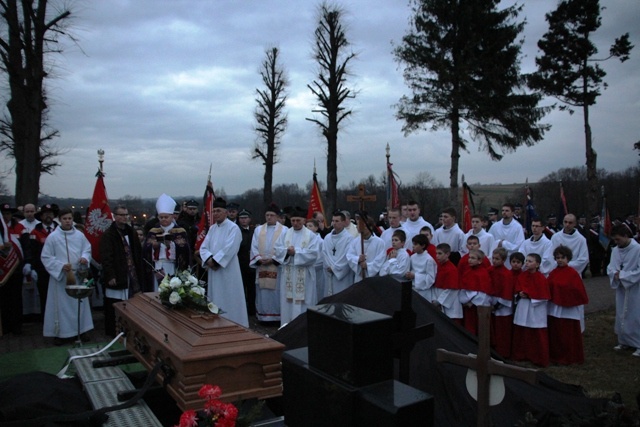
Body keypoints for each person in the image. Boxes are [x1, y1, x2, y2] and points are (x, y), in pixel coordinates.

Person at [41, 208, 93, 345]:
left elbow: (87, 249)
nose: (68, 221)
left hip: (78, 275)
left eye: (70, 218)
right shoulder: (53, 237)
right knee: (61, 307)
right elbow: (46, 257)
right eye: (65, 219)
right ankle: (61, 333)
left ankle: (81, 330)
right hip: (62, 277)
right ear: (59, 220)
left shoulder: (79, 236)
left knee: (79, 304)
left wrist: (84, 258)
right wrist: (60, 266)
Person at [199, 197, 248, 327]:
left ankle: (235, 323)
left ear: (226, 212)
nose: (215, 213)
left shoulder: (233, 228)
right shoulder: (212, 228)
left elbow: (230, 248)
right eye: (214, 211)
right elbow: (203, 247)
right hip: (214, 271)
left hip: (228, 270)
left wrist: (215, 261)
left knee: (230, 295)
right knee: (216, 296)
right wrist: (209, 259)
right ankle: (217, 323)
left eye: (218, 210)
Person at [99, 205, 144, 337]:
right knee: (115, 304)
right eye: (121, 215)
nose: (124, 218)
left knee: (130, 304)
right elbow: (106, 257)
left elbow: (137, 253)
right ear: (115, 216)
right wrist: (110, 275)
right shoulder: (109, 235)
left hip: (131, 274)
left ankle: (129, 330)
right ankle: (114, 332)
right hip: (117, 274)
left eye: (126, 215)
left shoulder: (131, 232)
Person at [274, 207, 320, 325]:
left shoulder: (311, 236)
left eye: (298, 220)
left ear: (304, 220)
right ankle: (287, 327)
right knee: (287, 304)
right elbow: (277, 249)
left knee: (304, 303)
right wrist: (286, 251)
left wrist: (296, 252)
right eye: (293, 220)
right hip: (289, 273)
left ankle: (304, 329)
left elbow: (314, 254)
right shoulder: (285, 234)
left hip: (305, 275)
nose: (295, 223)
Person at [547, 245, 589, 365]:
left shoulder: (572, 273)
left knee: (567, 335)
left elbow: (577, 290)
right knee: (556, 334)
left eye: (562, 257)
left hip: (568, 309)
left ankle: (570, 357)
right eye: (557, 257)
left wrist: (566, 296)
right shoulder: (553, 272)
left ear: (568, 258)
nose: (560, 260)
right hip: (555, 308)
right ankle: (556, 355)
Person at [143, 194, 191, 292]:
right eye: (161, 217)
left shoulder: (180, 231)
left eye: (166, 217)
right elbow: (145, 249)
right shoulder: (153, 231)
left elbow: (185, 249)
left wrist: (172, 246)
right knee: (158, 290)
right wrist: (154, 247)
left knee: (171, 290)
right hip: (157, 265)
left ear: (172, 216)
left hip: (172, 266)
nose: (164, 219)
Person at [607, 225, 640, 357]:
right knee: (621, 313)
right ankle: (624, 340)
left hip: (635, 289)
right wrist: (614, 273)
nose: (616, 242)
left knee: (635, 315)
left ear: (626, 236)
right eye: (615, 240)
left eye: (618, 239)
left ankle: (638, 343)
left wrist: (623, 275)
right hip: (621, 288)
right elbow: (611, 266)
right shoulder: (615, 250)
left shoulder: (638, 249)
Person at [511, 253, 550, 367]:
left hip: (535, 308)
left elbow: (543, 295)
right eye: (526, 261)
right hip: (523, 306)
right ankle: (521, 354)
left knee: (536, 332)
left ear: (537, 264)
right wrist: (519, 293)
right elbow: (517, 289)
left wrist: (529, 295)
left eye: (530, 261)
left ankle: (537, 357)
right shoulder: (522, 276)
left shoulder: (541, 278)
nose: (527, 263)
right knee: (522, 330)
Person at [250, 204, 286, 323]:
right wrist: (258, 258)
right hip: (262, 266)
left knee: (276, 292)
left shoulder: (284, 230)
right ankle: (263, 316)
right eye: (267, 215)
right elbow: (254, 246)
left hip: (276, 266)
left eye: (272, 215)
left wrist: (274, 259)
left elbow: (284, 247)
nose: (269, 217)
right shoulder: (259, 229)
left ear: (277, 216)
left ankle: (277, 317)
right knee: (263, 292)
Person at [26, 203, 57, 318]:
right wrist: (33, 268)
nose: (48, 216)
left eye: (50, 213)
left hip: (58, 269)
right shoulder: (35, 232)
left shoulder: (59, 229)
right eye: (45, 214)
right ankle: (46, 320)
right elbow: (33, 252)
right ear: (41, 216)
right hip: (42, 270)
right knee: (44, 296)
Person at [0, 204, 27, 335]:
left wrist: (27, 263)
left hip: (16, 268)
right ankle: (5, 325)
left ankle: (17, 326)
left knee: (16, 298)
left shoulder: (20, 227)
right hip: (2, 270)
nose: (6, 216)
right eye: (4, 213)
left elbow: (26, 246)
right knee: (4, 298)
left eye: (8, 213)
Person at [458, 249, 492, 335]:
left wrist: (472, 302)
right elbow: (464, 287)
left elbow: (484, 291)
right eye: (469, 257)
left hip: (477, 306)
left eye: (473, 258)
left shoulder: (483, 273)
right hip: (467, 305)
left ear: (480, 261)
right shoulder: (467, 271)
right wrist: (464, 300)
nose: (470, 260)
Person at [489, 248, 515, 358]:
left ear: (503, 260)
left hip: (502, 306)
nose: (494, 261)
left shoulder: (506, 274)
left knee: (502, 332)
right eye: (493, 258)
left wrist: (497, 305)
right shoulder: (490, 270)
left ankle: (503, 353)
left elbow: (507, 291)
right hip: (490, 303)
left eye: (497, 259)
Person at [323, 211, 355, 296]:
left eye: (337, 221)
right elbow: (324, 253)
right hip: (329, 273)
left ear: (344, 222)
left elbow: (347, 256)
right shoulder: (327, 238)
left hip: (342, 275)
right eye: (333, 221)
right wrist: (329, 266)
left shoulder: (349, 239)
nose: (334, 223)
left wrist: (334, 268)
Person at [346, 213, 386, 280]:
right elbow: (349, 256)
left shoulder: (379, 243)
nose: (360, 228)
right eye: (359, 226)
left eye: (363, 226)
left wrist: (367, 266)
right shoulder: (354, 242)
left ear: (370, 227)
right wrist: (358, 259)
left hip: (373, 278)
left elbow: (380, 260)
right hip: (359, 276)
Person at [488, 203, 525, 268]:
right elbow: (489, 241)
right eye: (503, 210)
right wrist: (497, 243)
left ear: (512, 213)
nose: (504, 212)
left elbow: (520, 245)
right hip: (496, 259)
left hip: (510, 260)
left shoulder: (517, 227)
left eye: (507, 211)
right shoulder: (495, 226)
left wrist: (504, 244)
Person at [433, 243, 462, 323]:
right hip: (440, 299)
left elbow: (452, 289)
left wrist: (439, 301)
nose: (437, 256)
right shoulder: (438, 266)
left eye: (440, 253)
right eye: (436, 253)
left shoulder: (451, 269)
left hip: (451, 304)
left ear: (447, 254)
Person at [406, 234, 437, 302]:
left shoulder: (429, 260)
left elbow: (431, 278)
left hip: (424, 292)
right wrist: (408, 275)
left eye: (416, 244)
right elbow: (409, 270)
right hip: (413, 289)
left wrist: (415, 276)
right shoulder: (412, 257)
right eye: (413, 244)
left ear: (423, 245)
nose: (413, 246)